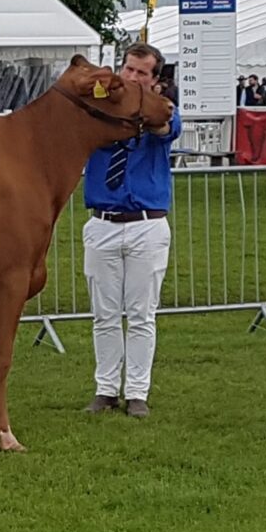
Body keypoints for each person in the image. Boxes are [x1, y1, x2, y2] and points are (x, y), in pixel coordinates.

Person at [82, 42, 181, 418]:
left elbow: (165, 129)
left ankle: (137, 391)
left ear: (155, 80)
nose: (132, 77)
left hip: (146, 224)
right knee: (104, 314)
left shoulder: (162, 109)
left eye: (142, 72)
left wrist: (149, 103)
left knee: (141, 314)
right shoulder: (99, 108)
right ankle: (106, 389)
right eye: (128, 69)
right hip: (103, 221)